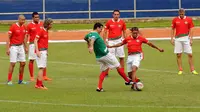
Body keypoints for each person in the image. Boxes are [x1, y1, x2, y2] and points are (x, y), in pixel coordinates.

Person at [84, 22, 133, 92]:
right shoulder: (95, 34)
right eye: (101, 29)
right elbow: (92, 39)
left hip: (99, 57)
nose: (101, 31)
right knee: (118, 66)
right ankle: (127, 81)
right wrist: (91, 46)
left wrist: (88, 45)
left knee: (104, 71)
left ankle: (99, 87)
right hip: (105, 55)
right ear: (97, 28)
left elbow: (85, 38)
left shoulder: (89, 34)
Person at [170, 8, 198, 75]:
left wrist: (191, 39)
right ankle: (180, 69)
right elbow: (172, 29)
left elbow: (191, 29)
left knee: (190, 54)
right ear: (178, 13)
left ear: (184, 13)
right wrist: (171, 38)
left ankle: (192, 69)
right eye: (180, 14)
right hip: (178, 39)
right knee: (179, 55)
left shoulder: (189, 19)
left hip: (186, 39)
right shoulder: (175, 20)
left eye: (182, 14)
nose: (181, 15)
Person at [27, 12, 52, 81]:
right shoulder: (29, 26)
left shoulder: (42, 24)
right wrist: (26, 46)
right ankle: (31, 77)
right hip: (33, 44)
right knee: (31, 60)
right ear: (32, 18)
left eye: (38, 17)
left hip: (41, 45)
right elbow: (27, 35)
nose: (37, 18)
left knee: (44, 59)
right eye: (35, 17)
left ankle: (44, 76)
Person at [6, 15, 28, 85]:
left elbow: (24, 37)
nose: (23, 21)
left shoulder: (24, 27)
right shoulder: (13, 26)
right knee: (13, 63)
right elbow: (8, 38)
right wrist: (7, 48)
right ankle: (9, 80)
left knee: (23, 63)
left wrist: (26, 47)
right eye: (22, 20)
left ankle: (20, 80)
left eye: (24, 20)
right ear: (18, 19)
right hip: (13, 47)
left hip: (21, 46)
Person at [103, 9, 127, 75]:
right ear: (113, 15)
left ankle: (122, 71)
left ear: (119, 15)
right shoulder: (109, 22)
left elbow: (124, 32)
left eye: (117, 14)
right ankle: (106, 72)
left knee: (121, 57)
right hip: (111, 41)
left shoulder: (122, 22)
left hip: (119, 41)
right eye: (115, 14)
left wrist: (126, 41)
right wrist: (105, 41)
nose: (116, 16)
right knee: (109, 57)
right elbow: (105, 32)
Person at [34, 18, 53, 90]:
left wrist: (46, 51)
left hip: (43, 51)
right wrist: (37, 51)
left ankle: (37, 84)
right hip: (41, 52)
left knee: (42, 68)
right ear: (47, 24)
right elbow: (35, 40)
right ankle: (40, 85)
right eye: (51, 24)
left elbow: (45, 42)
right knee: (41, 68)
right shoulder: (41, 30)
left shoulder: (46, 31)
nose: (52, 25)